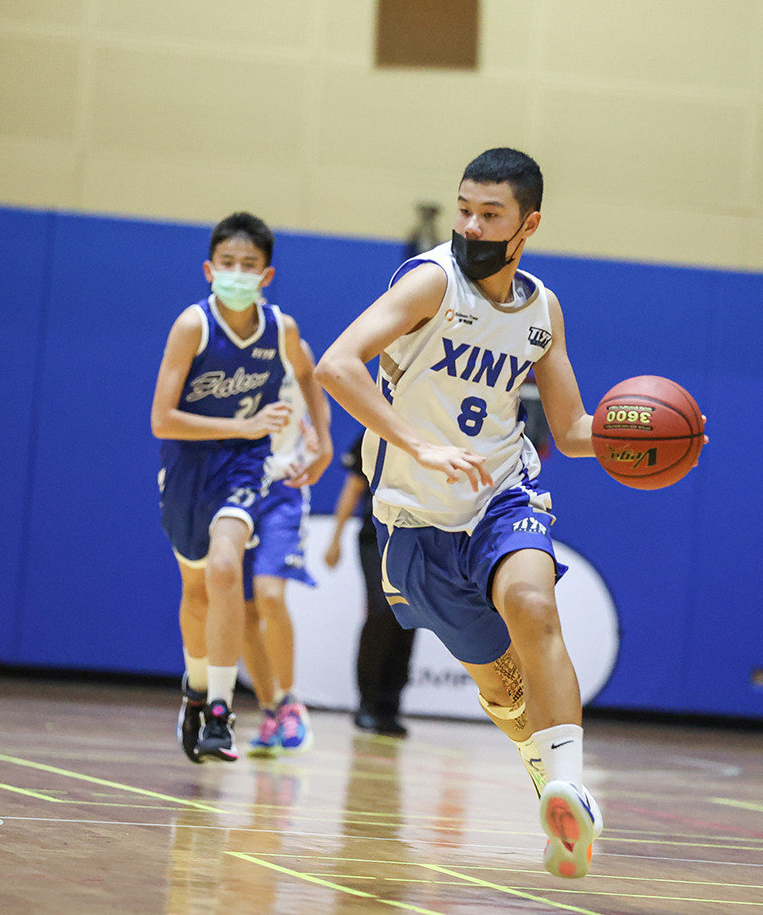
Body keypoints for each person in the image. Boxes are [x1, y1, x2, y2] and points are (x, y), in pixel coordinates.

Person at [315, 147, 605, 879]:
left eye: (490, 214)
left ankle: (572, 791)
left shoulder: (542, 310)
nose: (471, 225)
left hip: (502, 491)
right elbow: (336, 365)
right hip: (415, 515)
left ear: (528, 224)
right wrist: (418, 443)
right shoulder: (431, 282)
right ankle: (551, 797)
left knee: (532, 603)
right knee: (503, 689)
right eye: (465, 210)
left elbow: (573, 429)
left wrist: (641, 440)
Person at [151, 212, 332, 763]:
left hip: (249, 467)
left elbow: (309, 373)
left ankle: (222, 712)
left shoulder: (282, 329)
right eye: (226, 263)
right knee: (196, 592)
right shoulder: (193, 326)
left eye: (248, 264)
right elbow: (161, 420)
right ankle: (196, 689)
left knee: (229, 567)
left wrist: (323, 440)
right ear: (209, 269)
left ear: (266, 275)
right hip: (189, 467)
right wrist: (242, 424)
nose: (236, 272)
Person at [238, 339, 332, 756]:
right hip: (235, 485)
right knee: (244, 610)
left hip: (282, 488)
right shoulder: (213, 345)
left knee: (270, 594)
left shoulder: (291, 343)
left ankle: (291, 701)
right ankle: (269, 709)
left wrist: (319, 438)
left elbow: (315, 386)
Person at [323, 431, 417, 737]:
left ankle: (390, 706)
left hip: (417, 538)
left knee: (409, 619)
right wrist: (335, 539)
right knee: (381, 610)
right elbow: (353, 487)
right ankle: (367, 702)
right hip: (375, 537)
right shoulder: (374, 431)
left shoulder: (434, 428)